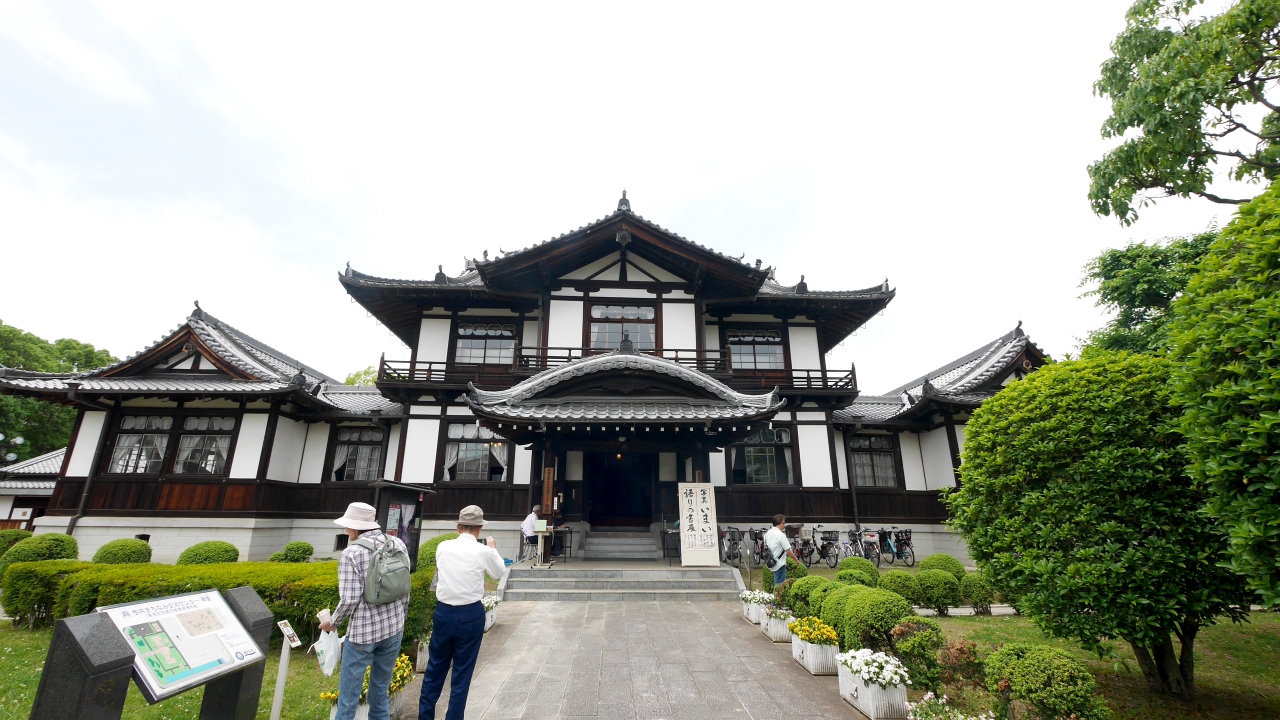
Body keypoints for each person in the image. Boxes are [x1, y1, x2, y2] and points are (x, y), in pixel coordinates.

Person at [321, 502, 411, 720]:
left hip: (363, 634)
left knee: (348, 699)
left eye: (347, 526)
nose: (346, 530)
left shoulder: (351, 553)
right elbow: (404, 587)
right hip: (393, 629)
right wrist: (402, 618)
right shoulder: (396, 543)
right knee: (380, 694)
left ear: (354, 527)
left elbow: (350, 599)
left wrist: (332, 623)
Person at [419, 505, 507, 720]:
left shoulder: (442, 547)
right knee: (462, 673)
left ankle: (425, 716)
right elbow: (499, 572)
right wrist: (493, 549)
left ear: (458, 528)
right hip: (470, 614)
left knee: (434, 668)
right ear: (479, 529)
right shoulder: (483, 551)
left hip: (443, 612)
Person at [764, 513, 800, 587]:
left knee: (777, 585)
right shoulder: (781, 535)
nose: (784, 525)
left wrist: (767, 562)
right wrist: (796, 560)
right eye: (783, 523)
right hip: (779, 564)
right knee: (779, 587)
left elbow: (766, 549)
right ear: (780, 523)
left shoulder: (767, 534)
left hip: (771, 562)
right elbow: (788, 551)